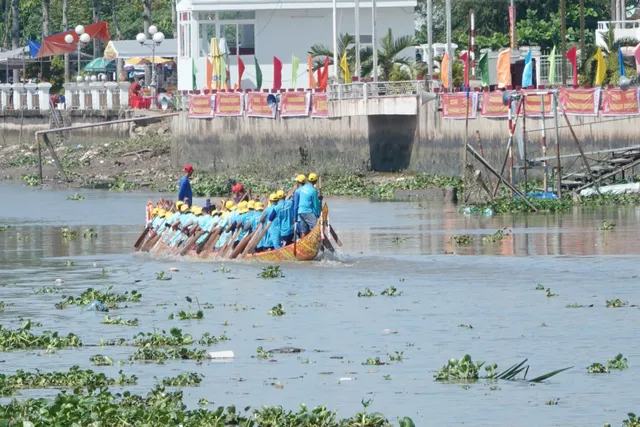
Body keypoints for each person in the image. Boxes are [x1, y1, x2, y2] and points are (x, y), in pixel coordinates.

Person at [295, 173, 321, 237]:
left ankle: (302, 244)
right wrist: (318, 214)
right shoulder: (313, 191)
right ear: (315, 181)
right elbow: (316, 204)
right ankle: (314, 242)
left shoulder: (303, 188)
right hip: (307, 211)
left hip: (300, 211)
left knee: (304, 230)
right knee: (316, 227)